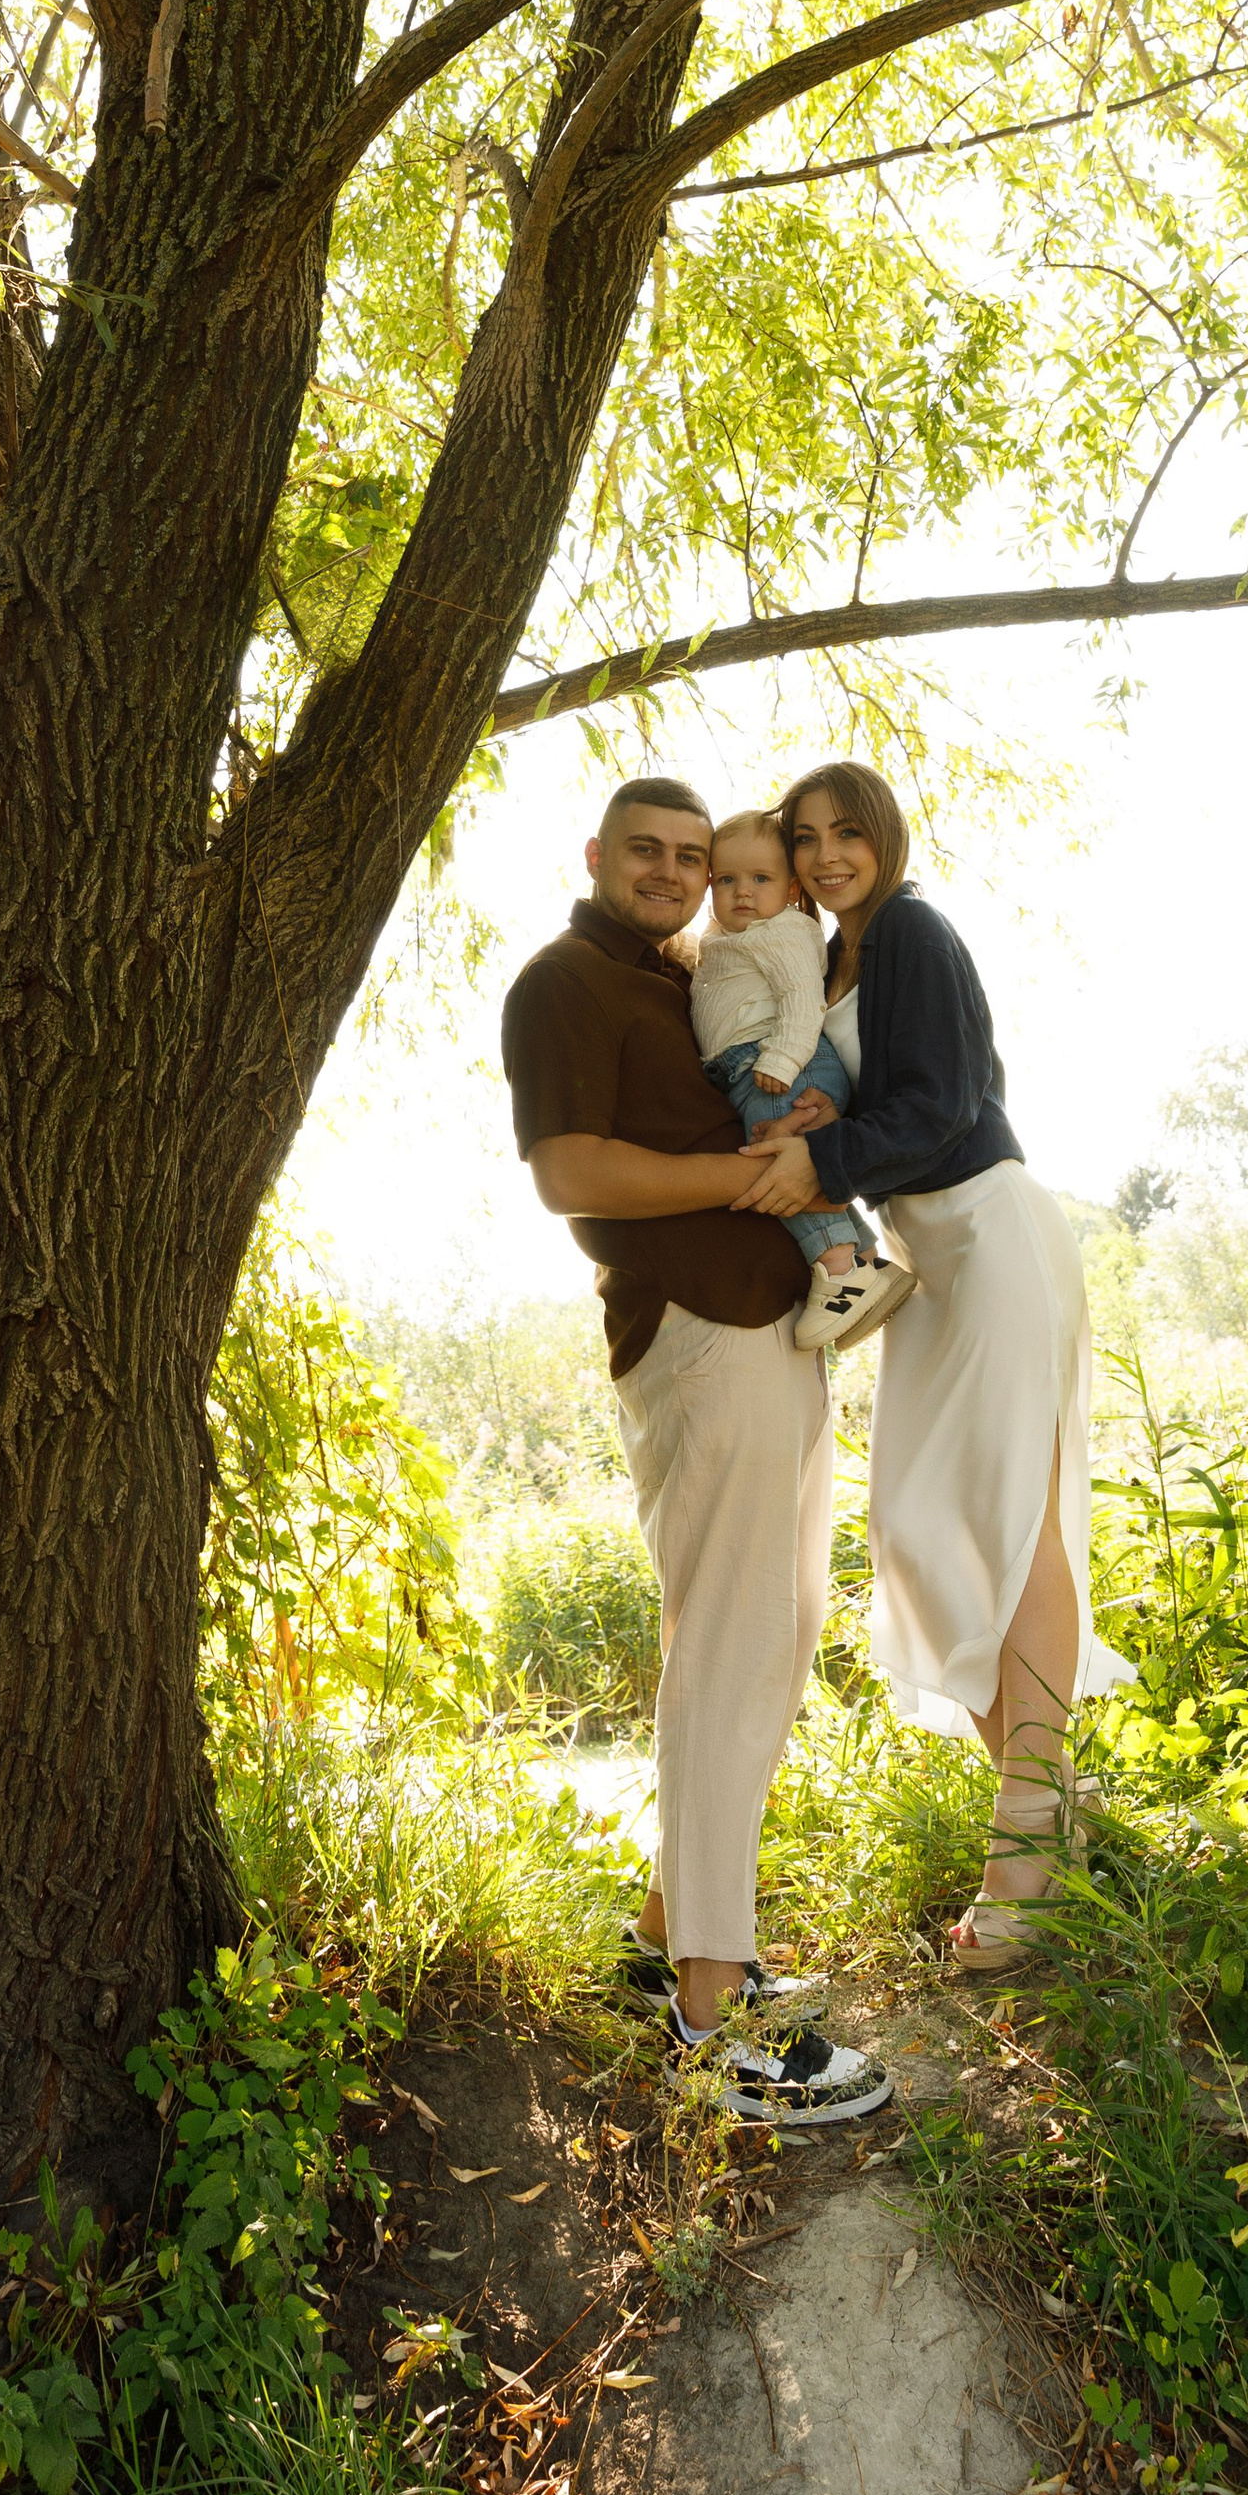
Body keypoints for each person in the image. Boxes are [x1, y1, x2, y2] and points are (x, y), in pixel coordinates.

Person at [499, 776, 895, 2128]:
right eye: (650, 855)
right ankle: (710, 2022)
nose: (675, 874)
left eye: (692, 855)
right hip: (702, 1335)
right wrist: (750, 1179)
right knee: (730, 1659)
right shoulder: (566, 984)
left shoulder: (683, 980)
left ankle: (668, 1935)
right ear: (598, 855)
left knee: (766, 1646)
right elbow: (573, 1176)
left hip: (771, 1338)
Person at [775, 759, 1133, 1965]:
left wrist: (814, 1165)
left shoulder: (911, 932)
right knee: (926, 1533)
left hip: (986, 1232)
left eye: (846, 833)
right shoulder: (838, 957)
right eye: (806, 837)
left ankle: (1026, 1855)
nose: (827, 856)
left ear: (884, 836)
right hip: (930, 1261)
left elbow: (936, 1108)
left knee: (1005, 1516)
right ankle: (1054, 1832)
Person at [688, 809, 909, 1352]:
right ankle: (861, 1258)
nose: (743, 893)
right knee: (795, 1165)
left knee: (779, 1167)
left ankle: (838, 1275)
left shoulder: (780, 930)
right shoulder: (727, 935)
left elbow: (800, 1000)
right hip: (758, 1067)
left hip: (783, 1066)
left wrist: (781, 1062)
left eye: (760, 880)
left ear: (790, 888)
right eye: (727, 880)